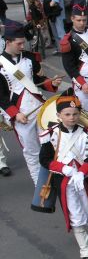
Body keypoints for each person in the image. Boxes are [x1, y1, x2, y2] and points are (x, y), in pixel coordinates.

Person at [38, 92, 88, 259]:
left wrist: (83, 171)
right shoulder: (50, 134)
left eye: (74, 114)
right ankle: (85, 250)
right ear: (59, 115)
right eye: (67, 114)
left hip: (83, 178)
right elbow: (44, 159)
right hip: (63, 181)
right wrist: (63, 168)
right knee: (75, 215)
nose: (71, 117)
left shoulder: (87, 133)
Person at [0, 20, 62, 183]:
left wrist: (52, 83)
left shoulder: (29, 57)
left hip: (39, 108)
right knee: (32, 152)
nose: (22, 46)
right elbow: (1, 96)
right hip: (21, 115)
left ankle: (54, 180)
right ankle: (39, 184)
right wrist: (15, 114)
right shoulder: (1, 64)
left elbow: (38, 80)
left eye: (23, 43)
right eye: (19, 43)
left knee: (50, 145)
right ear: (8, 42)